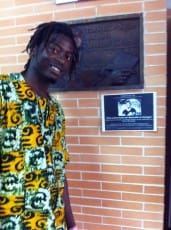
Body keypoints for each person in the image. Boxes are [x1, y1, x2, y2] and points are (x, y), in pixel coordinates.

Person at [0, 21, 80, 230]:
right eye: (55, 49)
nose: (62, 59)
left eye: (68, 56)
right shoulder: (4, 91)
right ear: (35, 49)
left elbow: (60, 174)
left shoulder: (56, 112)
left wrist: (72, 225)